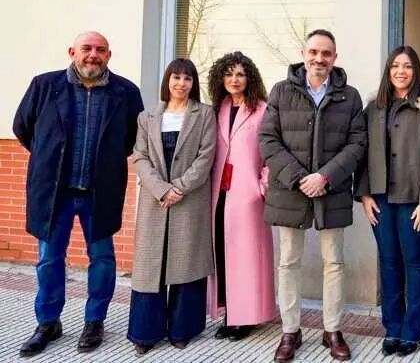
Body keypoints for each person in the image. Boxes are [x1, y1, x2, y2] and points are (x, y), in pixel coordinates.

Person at [12, 31, 144, 357]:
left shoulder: (126, 92)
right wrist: (48, 157)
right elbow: (23, 127)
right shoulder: (45, 85)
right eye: (86, 48)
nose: (92, 55)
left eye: (100, 50)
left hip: (100, 191)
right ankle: (47, 322)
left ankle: (94, 321)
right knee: (49, 259)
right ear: (72, 52)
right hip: (54, 191)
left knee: (102, 258)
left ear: (109, 55)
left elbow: (132, 139)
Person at [260, 29, 366, 362]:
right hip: (289, 190)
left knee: (334, 262)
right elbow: (268, 140)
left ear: (335, 57)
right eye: (314, 52)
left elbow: (357, 144)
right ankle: (290, 331)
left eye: (326, 53)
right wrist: (299, 179)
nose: (320, 59)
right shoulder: (281, 91)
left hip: (331, 190)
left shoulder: (350, 96)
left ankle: (332, 330)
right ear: (303, 54)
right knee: (288, 261)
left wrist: (325, 177)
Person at [357, 45, 420, 358]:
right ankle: (393, 327)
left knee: (415, 262)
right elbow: (361, 151)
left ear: (416, 70)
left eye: (407, 66)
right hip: (380, 198)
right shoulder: (374, 107)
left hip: (414, 199)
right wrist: (364, 194)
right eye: (396, 66)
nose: (401, 71)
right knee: (389, 261)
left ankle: (417, 328)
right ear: (388, 69)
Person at [127, 58, 217, 355]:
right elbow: (140, 156)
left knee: (185, 261)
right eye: (176, 77)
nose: (181, 83)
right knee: (150, 265)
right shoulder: (147, 117)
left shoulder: (205, 114)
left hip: (190, 199)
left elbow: (206, 157)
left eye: (187, 78)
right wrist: (162, 189)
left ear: (193, 83)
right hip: (155, 200)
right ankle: (145, 333)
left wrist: (179, 188)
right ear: (168, 80)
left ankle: (182, 329)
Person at [206, 51, 276, 340]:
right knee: (223, 254)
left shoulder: (262, 110)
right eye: (229, 74)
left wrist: (262, 187)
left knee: (248, 258)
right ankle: (229, 313)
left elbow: (273, 152)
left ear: (250, 78)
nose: (234, 80)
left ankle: (247, 317)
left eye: (240, 74)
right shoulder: (218, 108)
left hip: (247, 195)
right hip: (219, 194)